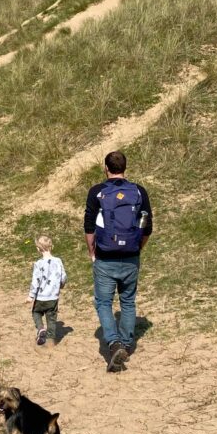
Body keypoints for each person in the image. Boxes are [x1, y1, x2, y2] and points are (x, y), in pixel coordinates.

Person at [84, 150, 153, 372]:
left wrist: (91, 251)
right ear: (125, 167)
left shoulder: (97, 192)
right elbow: (147, 226)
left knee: (103, 302)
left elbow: (89, 226)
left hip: (105, 257)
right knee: (128, 301)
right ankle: (125, 343)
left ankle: (113, 343)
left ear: (106, 168)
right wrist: (138, 248)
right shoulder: (139, 191)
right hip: (131, 256)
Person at [27, 234, 67, 346]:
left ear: (38, 249)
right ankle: (50, 340)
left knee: (36, 312)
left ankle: (41, 329)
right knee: (52, 318)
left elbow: (36, 281)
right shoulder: (58, 261)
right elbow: (63, 277)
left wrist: (31, 295)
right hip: (53, 297)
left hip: (41, 297)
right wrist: (61, 285)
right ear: (51, 246)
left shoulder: (38, 264)